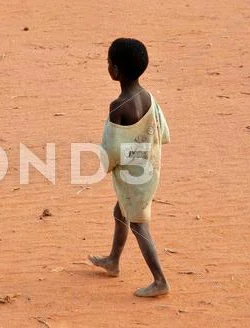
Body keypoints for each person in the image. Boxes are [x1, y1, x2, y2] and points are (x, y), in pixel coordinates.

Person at [88, 38, 171, 297]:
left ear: (115, 70)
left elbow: (111, 148)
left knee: (139, 225)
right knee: (121, 210)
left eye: (108, 62)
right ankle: (113, 260)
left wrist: (106, 166)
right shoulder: (148, 96)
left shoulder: (118, 106)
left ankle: (160, 280)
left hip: (132, 175)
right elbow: (163, 130)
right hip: (148, 168)